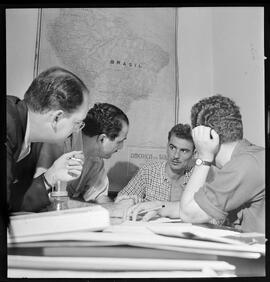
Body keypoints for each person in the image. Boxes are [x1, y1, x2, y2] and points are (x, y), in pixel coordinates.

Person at [127, 95, 265, 233]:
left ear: (207, 136)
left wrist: (204, 156)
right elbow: (199, 206)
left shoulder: (243, 166)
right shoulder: (248, 160)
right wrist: (159, 206)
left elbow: (189, 213)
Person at [7, 66, 90, 213]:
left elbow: (11, 199)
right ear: (57, 117)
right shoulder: (8, 126)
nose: (77, 130)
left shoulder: (28, 135)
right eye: (77, 123)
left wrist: (50, 176)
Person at [35, 103, 129, 204]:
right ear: (102, 139)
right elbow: (39, 195)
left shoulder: (96, 160)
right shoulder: (57, 144)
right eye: (119, 142)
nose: (121, 147)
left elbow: (100, 197)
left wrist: (117, 206)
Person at [115, 124, 196, 205]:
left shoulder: (196, 177)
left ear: (194, 154)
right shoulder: (148, 172)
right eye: (172, 147)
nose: (176, 156)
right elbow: (120, 201)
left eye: (184, 151)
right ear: (167, 146)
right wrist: (129, 202)